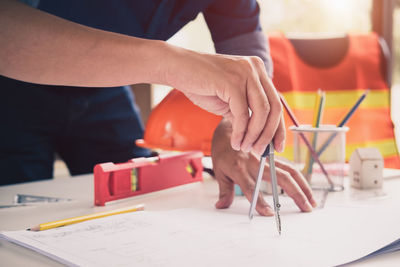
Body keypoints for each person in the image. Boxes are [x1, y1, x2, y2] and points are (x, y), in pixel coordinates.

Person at [0, 0, 316, 215]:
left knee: (141, 204)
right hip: (10, 94)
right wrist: (171, 64)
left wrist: (236, 127)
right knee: (17, 215)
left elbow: (242, 32)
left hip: (106, 94)